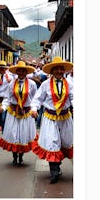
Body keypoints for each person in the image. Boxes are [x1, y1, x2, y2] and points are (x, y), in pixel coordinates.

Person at [30, 56, 74, 184]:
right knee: (52, 142)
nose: (59, 71)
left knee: (65, 142)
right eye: (57, 69)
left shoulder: (70, 84)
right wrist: (34, 109)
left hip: (65, 118)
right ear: (52, 71)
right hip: (50, 117)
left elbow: (74, 98)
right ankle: (54, 171)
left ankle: (57, 164)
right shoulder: (45, 85)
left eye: (61, 69)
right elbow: (37, 99)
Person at [0, 61, 38, 166]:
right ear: (16, 72)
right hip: (14, 112)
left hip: (26, 112)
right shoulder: (11, 84)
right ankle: (14, 156)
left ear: (26, 72)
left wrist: (34, 109)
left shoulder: (32, 84)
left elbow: (35, 99)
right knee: (13, 134)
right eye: (19, 71)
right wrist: (2, 107)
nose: (21, 72)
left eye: (23, 71)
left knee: (23, 134)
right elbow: (7, 98)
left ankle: (21, 156)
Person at [0, 60, 14, 131]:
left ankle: (4, 130)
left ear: (6, 69)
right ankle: (0, 129)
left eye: (3, 68)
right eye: (0, 68)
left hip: (6, 99)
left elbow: (12, 88)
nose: (2, 70)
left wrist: (9, 83)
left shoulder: (10, 77)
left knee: (4, 117)